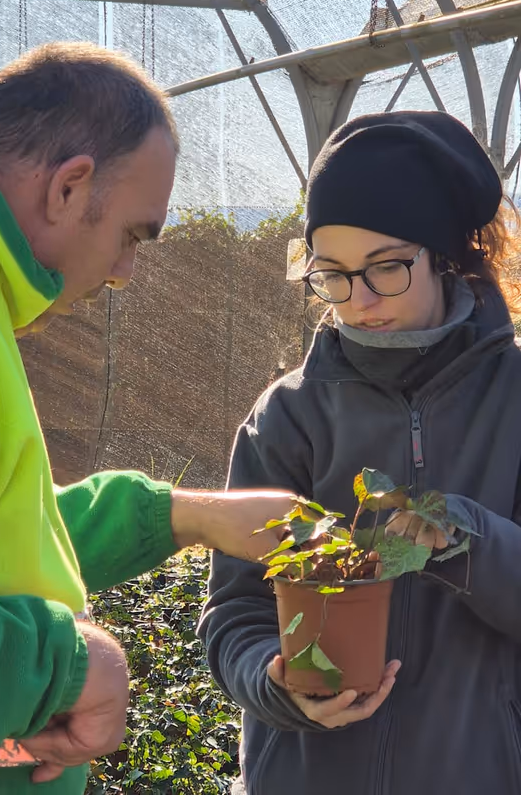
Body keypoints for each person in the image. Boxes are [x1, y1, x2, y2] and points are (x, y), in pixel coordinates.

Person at [0, 42, 296, 795]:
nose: (125, 272)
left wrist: (189, 516)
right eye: (133, 234)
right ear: (70, 186)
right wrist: (76, 665)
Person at [199, 110, 521, 795]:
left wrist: (461, 536)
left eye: (387, 268)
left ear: (445, 255)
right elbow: (234, 611)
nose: (361, 299)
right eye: (334, 275)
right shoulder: (287, 415)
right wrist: (275, 681)